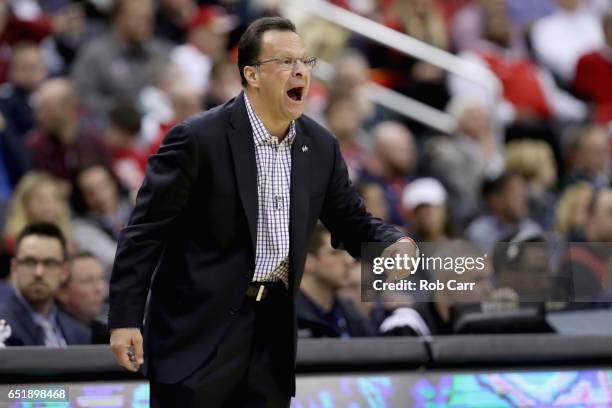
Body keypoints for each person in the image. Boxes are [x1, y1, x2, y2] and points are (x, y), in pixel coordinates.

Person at [107, 16, 416, 408]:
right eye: (285, 62)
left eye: (305, 61)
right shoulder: (197, 139)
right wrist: (124, 318)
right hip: (199, 335)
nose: (300, 70)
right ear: (252, 75)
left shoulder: (320, 146)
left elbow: (350, 220)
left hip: (272, 336)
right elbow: (144, 232)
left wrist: (391, 242)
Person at [0, 222, 90, 346]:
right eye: (30, 262)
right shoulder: (3, 325)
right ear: (14, 268)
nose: (39, 272)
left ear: (64, 271)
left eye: (49, 263)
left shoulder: (79, 333)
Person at [297, 223, 377, 338]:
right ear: (307, 261)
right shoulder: (282, 317)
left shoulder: (351, 317)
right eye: (335, 253)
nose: (349, 261)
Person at [57, 251, 109, 344]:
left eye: (101, 278)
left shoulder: (105, 332)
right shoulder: (53, 334)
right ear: (62, 292)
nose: (100, 288)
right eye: (88, 281)